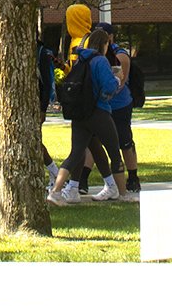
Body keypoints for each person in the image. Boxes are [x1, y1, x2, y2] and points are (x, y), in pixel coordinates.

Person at [48, 22, 128, 204]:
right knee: (114, 152)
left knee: (76, 153)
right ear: (104, 44)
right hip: (99, 111)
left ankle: (56, 190)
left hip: (79, 113)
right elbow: (108, 87)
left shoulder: (80, 59)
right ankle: (123, 193)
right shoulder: (100, 61)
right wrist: (117, 79)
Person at [106, 28, 144, 200]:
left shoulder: (120, 55)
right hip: (103, 106)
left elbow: (120, 83)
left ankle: (133, 177)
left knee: (125, 142)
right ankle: (81, 181)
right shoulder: (95, 54)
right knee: (92, 141)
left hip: (120, 105)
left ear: (110, 36)